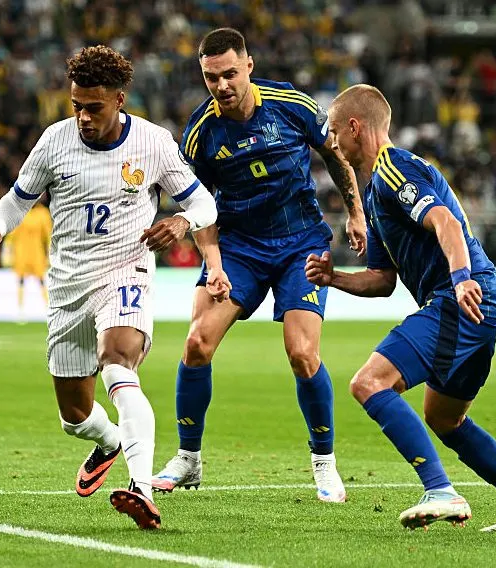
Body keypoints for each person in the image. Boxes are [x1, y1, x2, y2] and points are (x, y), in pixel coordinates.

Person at [0, 46, 229, 530]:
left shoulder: (152, 143)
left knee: (118, 361)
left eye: (94, 107)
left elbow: (206, 206)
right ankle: (108, 440)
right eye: (76, 106)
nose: (84, 117)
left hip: (125, 273)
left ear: (119, 98)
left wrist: (179, 221)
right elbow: (17, 199)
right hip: (68, 285)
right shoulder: (55, 142)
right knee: (74, 415)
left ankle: (141, 487)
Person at [305, 84, 496, 532]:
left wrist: (461, 282)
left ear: (354, 127)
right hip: (476, 298)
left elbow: (444, 220)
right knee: (444, 417)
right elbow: (382, 282)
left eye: (335, 130)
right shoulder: (375, 192)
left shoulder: (393, 169)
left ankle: (440, 490)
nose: (332, 141)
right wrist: (333, 278)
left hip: (464, 295)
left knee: (369, 383)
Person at [152, 28, 366, 503]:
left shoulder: (291, 105)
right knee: (196, 343)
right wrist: (213, 263)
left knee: (302, 353)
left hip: (299, 243)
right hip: (239, 247)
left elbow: (333, 154)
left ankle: (324, 464)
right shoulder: (200, 133)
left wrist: (355, 212)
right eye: (212, 78)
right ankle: (188, 460)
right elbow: (197, 205)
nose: (223, 85)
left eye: (230, 73)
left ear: (248, 65)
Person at [4, 195, 53, 317]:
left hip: (36, 252)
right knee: (20, 280)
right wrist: (7, 251)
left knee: (41, 279)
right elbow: (11, 235)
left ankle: (48, 308)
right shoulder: (20, 212)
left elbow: (48, 236)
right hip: (21, 252)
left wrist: (49, 254)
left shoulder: (43, 213)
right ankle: (20, 309)